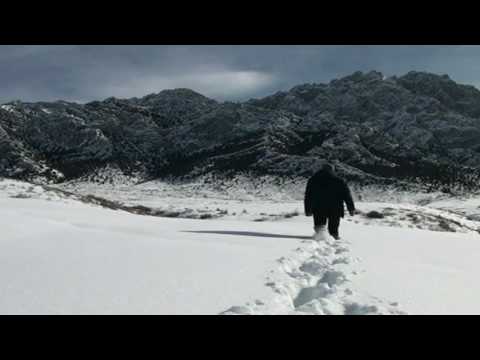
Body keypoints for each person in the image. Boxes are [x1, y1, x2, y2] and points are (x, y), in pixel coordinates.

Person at [304, 163, 355, 240]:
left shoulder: (313, 180)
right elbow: (347, 195)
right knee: (333, 230)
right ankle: (333, 238)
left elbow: (308, 196)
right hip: (335, 208)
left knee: (320, 228)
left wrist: (308, 209)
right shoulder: (339, 181)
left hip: (318, 207)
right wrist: (351, 208)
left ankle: (320, 238)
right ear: (332, 170)